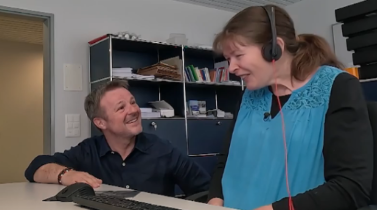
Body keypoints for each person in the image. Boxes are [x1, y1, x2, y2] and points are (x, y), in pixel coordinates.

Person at [207, 5, 373, 210]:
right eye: (228, 59)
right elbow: (225, 163)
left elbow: (351, 186)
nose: (231, 68)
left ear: (274, 48)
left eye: (238, 56)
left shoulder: (338, 87)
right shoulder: (248, 96)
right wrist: (214, 203)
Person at [24, 79, 210, 197]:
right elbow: (35, 167)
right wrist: (66, 174)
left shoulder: (163, 150)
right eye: (121, 108)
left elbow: (204, 191)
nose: (133, 110)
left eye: (133, 102)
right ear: (100, 123)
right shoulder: (88, 150)